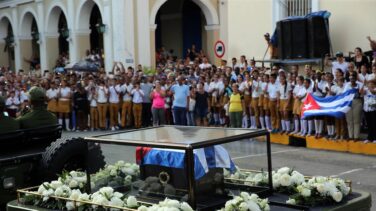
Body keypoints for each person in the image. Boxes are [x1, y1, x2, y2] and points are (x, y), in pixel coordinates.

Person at [345, 72, 363, 140]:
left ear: (356, 78)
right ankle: (350, 136)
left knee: (356, 120)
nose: (351, 79)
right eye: (350, 78)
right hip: (349, 102)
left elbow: (362, 95)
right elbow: (344, 94)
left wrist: (360, 92)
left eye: (353, 78)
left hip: (357, 102)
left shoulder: (360, 85)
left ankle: (356, 136)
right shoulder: (347, 85)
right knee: (349, 120)